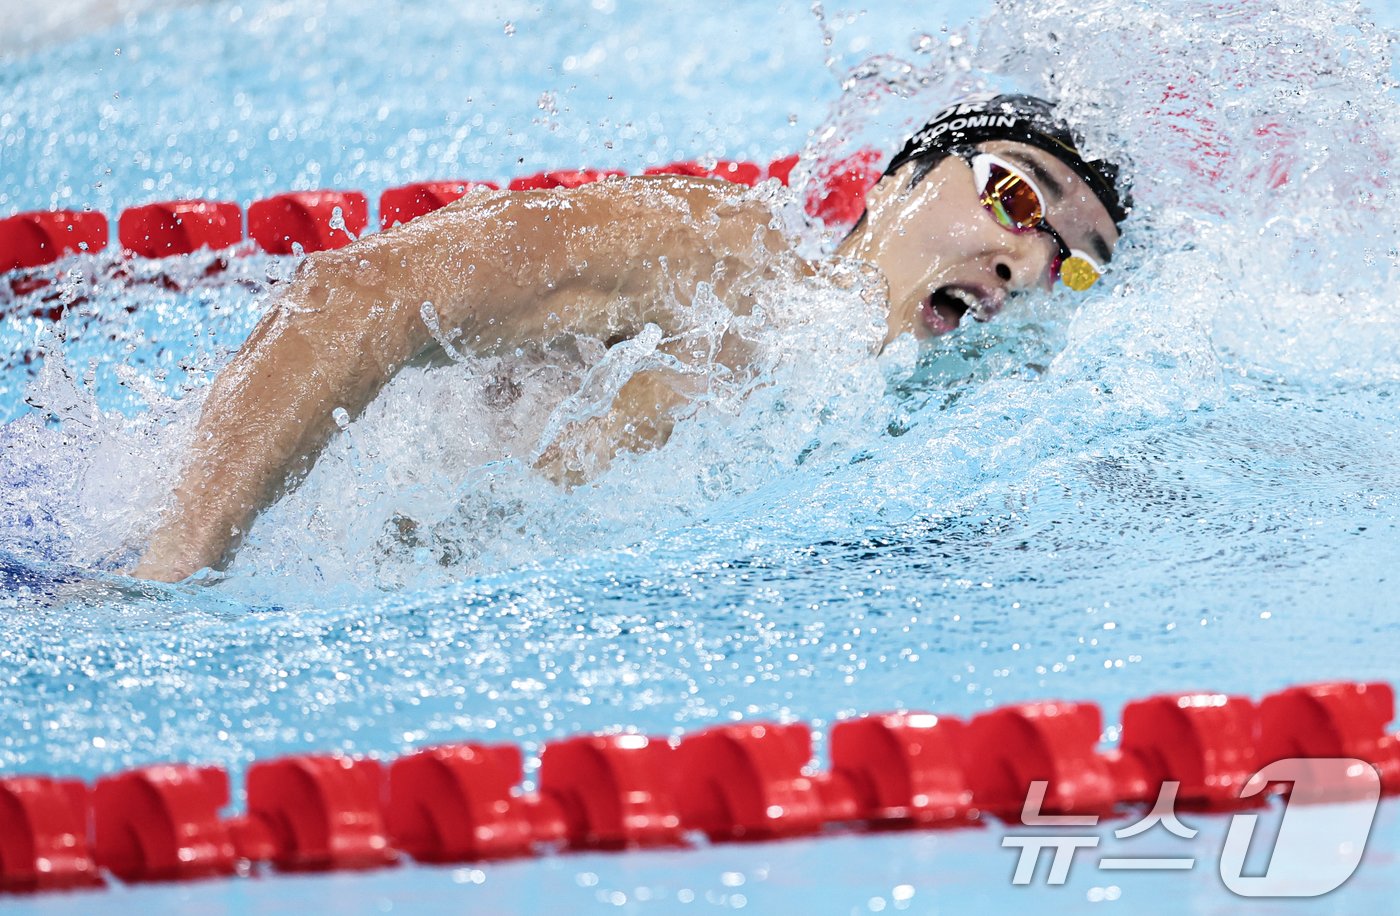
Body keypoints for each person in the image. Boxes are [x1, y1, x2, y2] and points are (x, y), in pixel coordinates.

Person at [131, 94, 1129, 582]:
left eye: (1072, 264)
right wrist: (177, 565)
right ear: (893, 183)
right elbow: (361, 293)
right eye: (1013, 195)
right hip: (186, 555)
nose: (1027, 264)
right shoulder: (721, 260)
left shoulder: (933, 445)